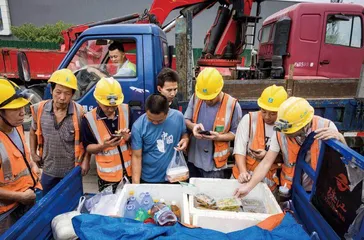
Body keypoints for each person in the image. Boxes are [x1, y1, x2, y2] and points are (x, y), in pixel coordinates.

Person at [234, 97, 346, 198]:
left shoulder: (326, 127)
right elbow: (266, 162)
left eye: (290, 132)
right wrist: (248, 187)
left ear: (302, 126)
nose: (285, 134)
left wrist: (340, 139)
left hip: (317, 190)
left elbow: (344, 162)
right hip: (289, 188)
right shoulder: (280, 131)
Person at [30, 69, 88, 195]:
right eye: (58, 92)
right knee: (47, 206)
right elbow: (33, 131)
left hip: (71, 171)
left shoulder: (80, 113)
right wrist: (33, 153)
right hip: (48, 170)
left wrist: (85, 161)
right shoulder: (39, 109)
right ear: (51, 90)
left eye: (67, 93)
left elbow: (87, 141)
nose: (62, 97)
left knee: (70, 205)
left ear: (72, 94)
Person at [0, 79, 42, 234]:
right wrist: (20, 196)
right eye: (15, 108)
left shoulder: (16, 126)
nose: (23, 112)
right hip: (5, 215)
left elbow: (22, 154)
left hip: (26, 200)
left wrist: (32, 165)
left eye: (23, 106)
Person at [184, 67, 242, 178]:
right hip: (194, 159)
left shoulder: (232, 105)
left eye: (211, 98)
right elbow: (186, 119)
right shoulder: (196, 97)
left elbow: (235, 133)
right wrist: (194, 127)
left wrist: (218, 137)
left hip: (215, 165)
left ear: (219, 90)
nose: (207, 101)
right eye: (204, 98)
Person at [232, 85, 288, 192]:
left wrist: (266, 155)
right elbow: (239, 149)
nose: (267, 117)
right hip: (242, 179)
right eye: (264, 111)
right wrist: (243, 172)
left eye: (273, 113)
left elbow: (287, 158)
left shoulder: (284, 127)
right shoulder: (249, 120)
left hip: (268, 183)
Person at [82, 77, 132, 192]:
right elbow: (88, 147)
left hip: (129, 172)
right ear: (97, 101)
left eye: (114, 106)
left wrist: (128, 137)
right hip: (108, 178)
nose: (110, 109)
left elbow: (135, 139)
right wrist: (103, 146)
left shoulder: (126, 111)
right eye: (106, 106)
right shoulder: (89, 119)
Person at [131, 94, 189, 184]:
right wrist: (135, 185)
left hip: (174, 176)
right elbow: (136, 156)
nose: (155, 123)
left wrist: (185, 139)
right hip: (150, 179)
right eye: (150, 119)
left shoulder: (178, 117)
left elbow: (184, 134)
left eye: (159, 121)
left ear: (167, 112)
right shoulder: (138, 126)